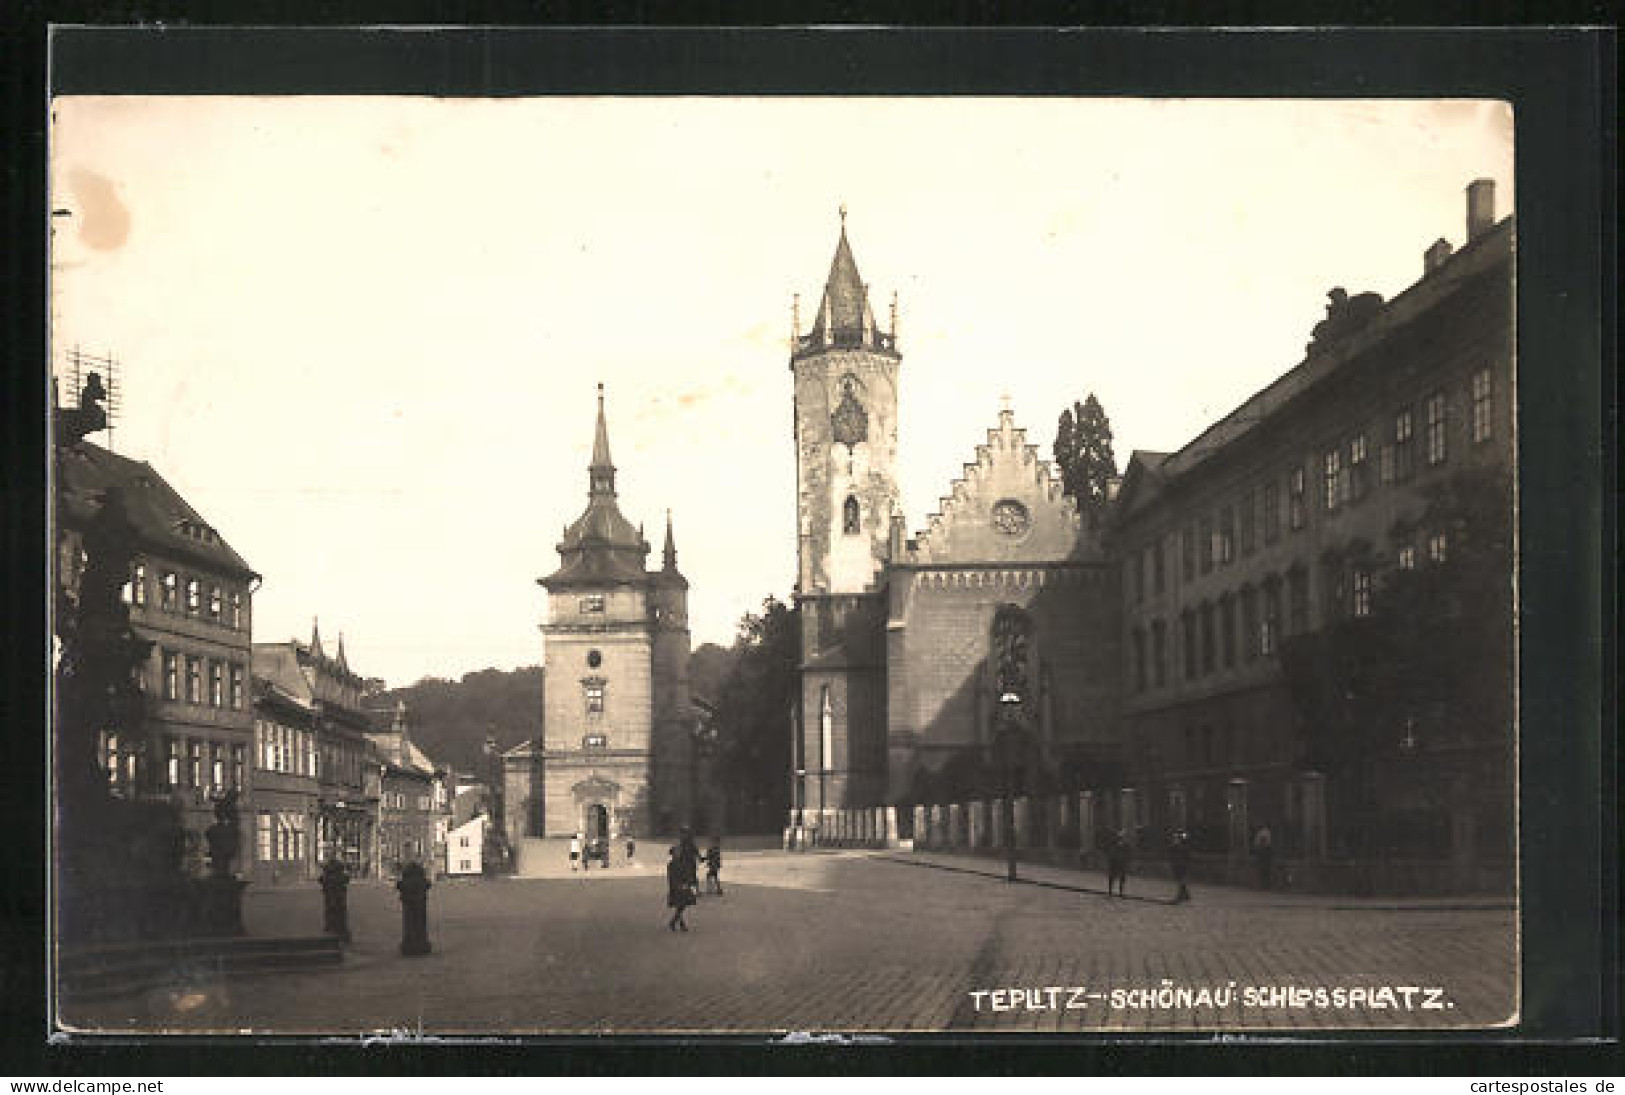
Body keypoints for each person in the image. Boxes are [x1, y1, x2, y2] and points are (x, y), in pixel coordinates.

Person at [666, 846, 696, 931]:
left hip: (684, 885)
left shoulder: (682, 862)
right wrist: (677, 885)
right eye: (676, 852)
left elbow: (686, 873)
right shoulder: (671, 864)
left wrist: (688, 882)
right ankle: (678, 923)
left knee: (682, 905)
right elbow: (671, 877)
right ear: (672, 854)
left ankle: (676, 922)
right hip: (677, 887)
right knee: (680, 905)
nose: (678, 854)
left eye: (678, 852)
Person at [1168, 828, 1192, 904]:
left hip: (1181, 863)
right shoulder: (1176, 845)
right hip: (1177, 862)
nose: (1175, 839)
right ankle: (1185, 895)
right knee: (1179, 879)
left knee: (1181, 879)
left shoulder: (1183, 844)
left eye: (1176, 838)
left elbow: (1186, 853)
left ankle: (1181, 895)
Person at [1106, 828, 1131, 897]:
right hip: (1114, 862)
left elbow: (1128, 852)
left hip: (1122, 862)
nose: (1121, 834)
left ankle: (1121, 892)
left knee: (1122, 878)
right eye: (1120, 833)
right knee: (1111, 877)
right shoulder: (1113, 841)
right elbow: (1110, 849)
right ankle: (1110, 891)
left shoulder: (1126, 843)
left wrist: (1126, 860)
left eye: (1123, 833)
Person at [677, 826, 700, 899]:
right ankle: (688, 891)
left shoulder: (690, 843)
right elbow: (679, 853)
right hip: (684, 863)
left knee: (692, 877)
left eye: (684, 833)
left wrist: (700, 858)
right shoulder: (682, 843)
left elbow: (696, 852)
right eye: (682, 833)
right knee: (685, 877)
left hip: (690, 863)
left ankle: (695, 891)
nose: (682, 835)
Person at [1252, 824, 1274, 889]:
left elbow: (1259, 842)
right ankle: (1263, 885)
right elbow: (1260, 842)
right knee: (1264, 871)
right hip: (1263, 853)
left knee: (1264, 871)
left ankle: (1263, 885)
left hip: (1264, 853)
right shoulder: (1264, 832)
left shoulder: (1263, 832)